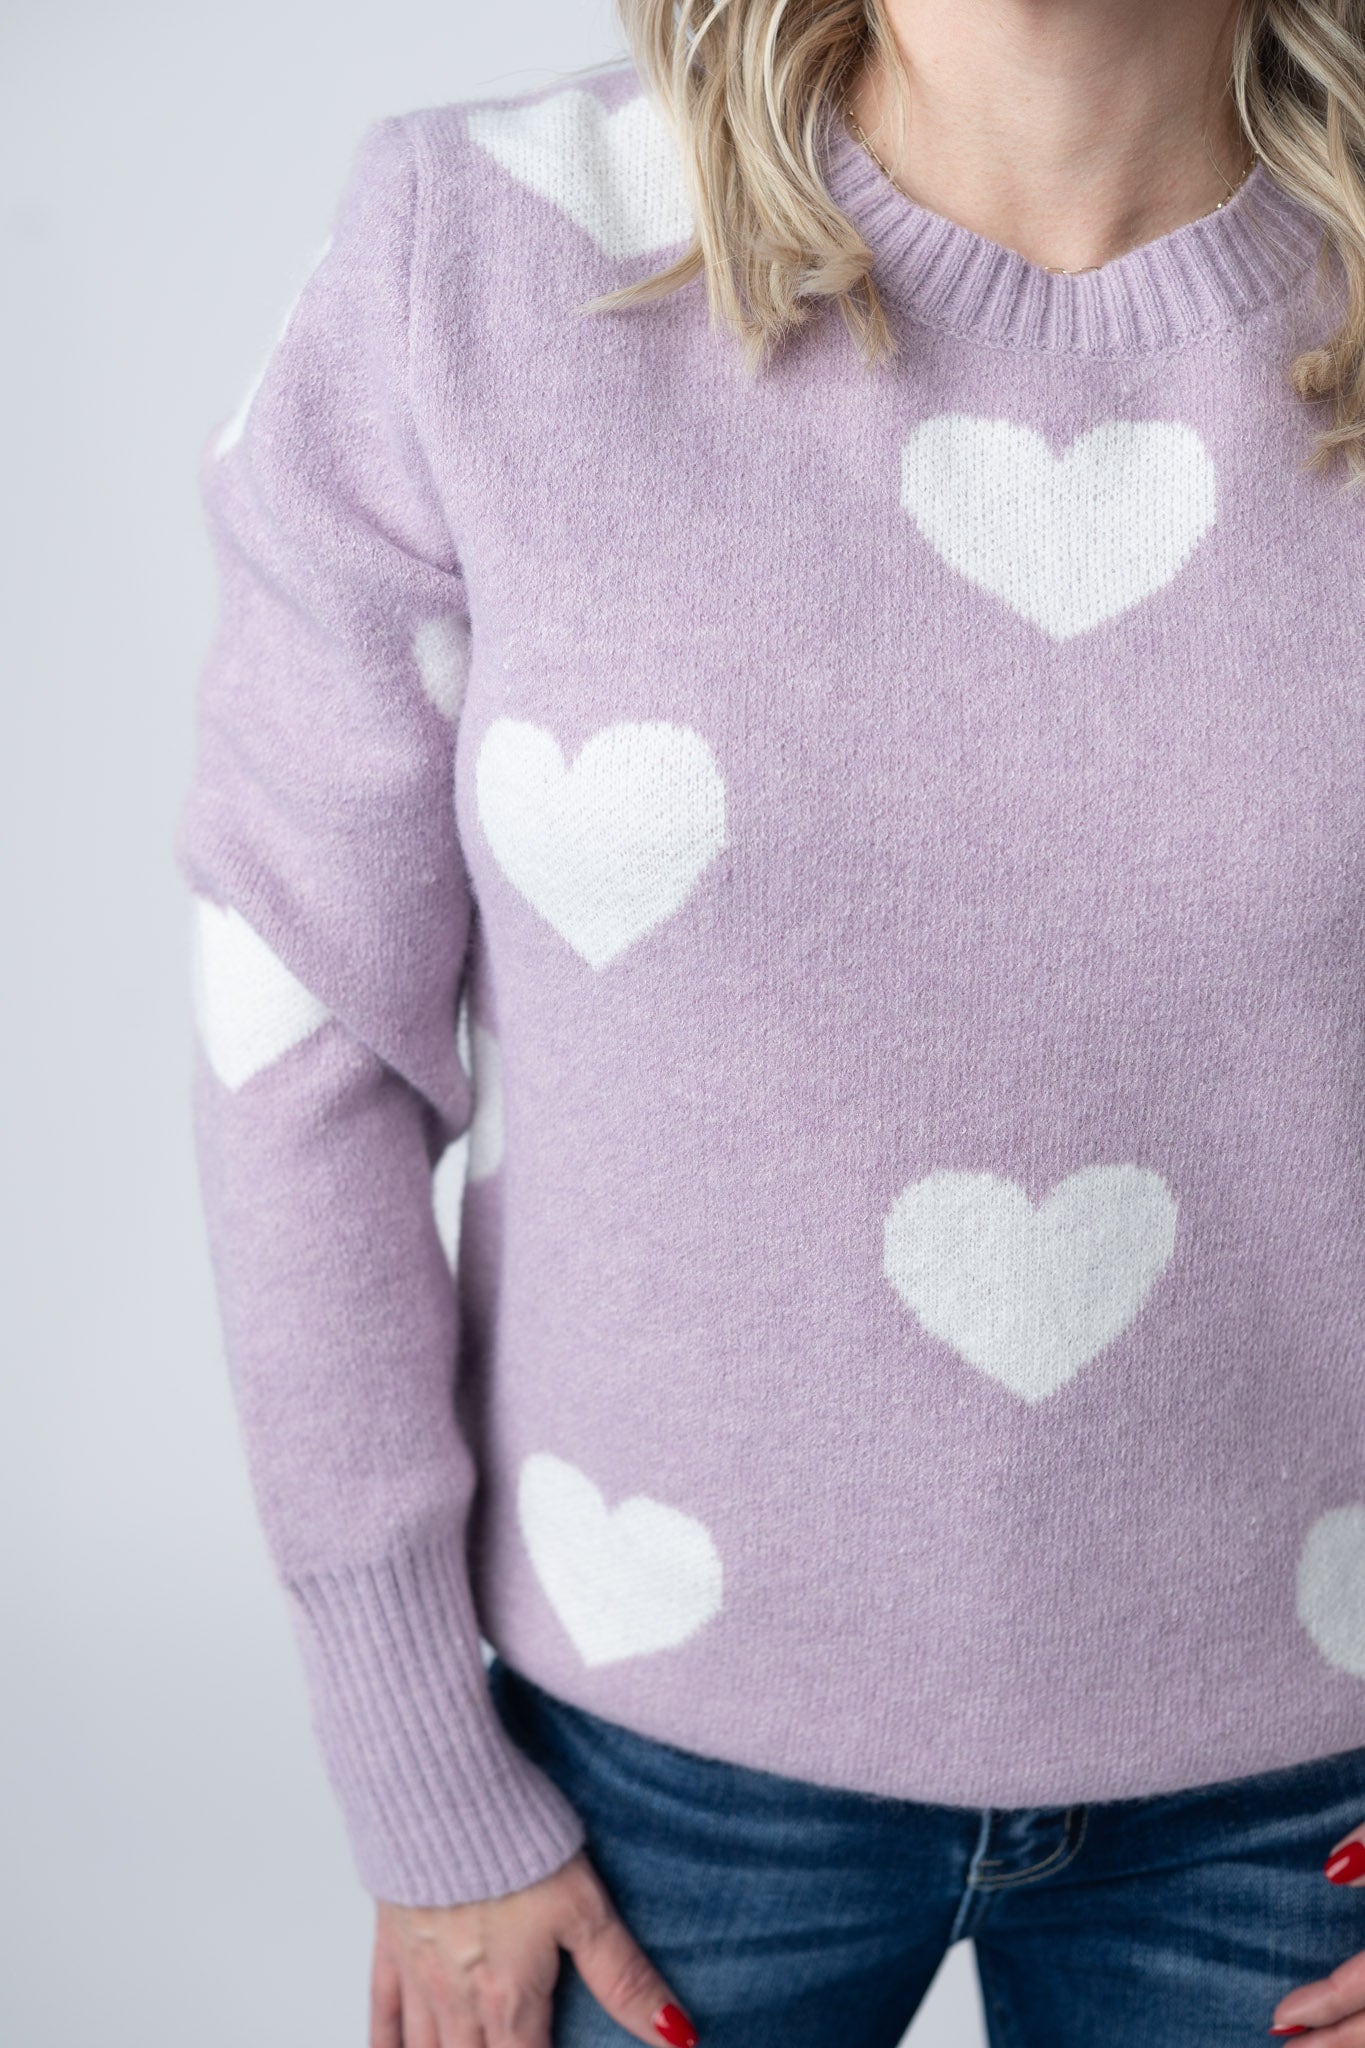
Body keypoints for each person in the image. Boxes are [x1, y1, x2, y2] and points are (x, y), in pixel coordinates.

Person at [174, 0, 1365, 2042]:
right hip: (635, 1780)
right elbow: (301, 1036)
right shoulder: (473, 255)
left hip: (1311, 1803)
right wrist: (412, 1772)